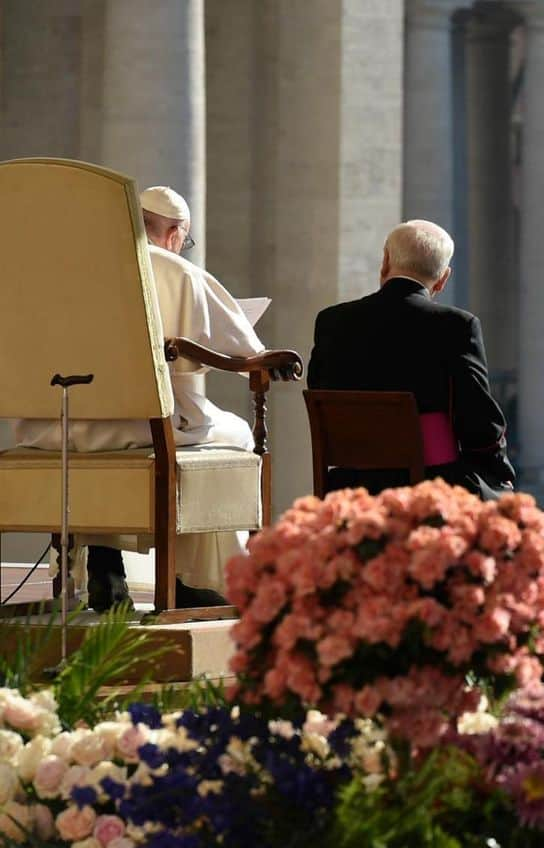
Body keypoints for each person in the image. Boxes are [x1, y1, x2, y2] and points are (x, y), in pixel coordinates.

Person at [16, 186, 270, 611]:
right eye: (182, 239)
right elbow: (244, 350)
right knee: (237, 434)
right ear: (173, 232)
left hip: (55, 428)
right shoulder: (178, 272)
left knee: (119, 443)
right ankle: (184, 579)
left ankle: (106, 565)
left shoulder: (66, 270)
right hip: (144, 427)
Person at [308, 220, 514, 498]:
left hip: (349, 487)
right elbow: (479, 420)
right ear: (443, 279)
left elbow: (322, 393)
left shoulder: (331, 321)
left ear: (385, 261)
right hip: (431, 489)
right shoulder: (456, 326)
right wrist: (500, 472)